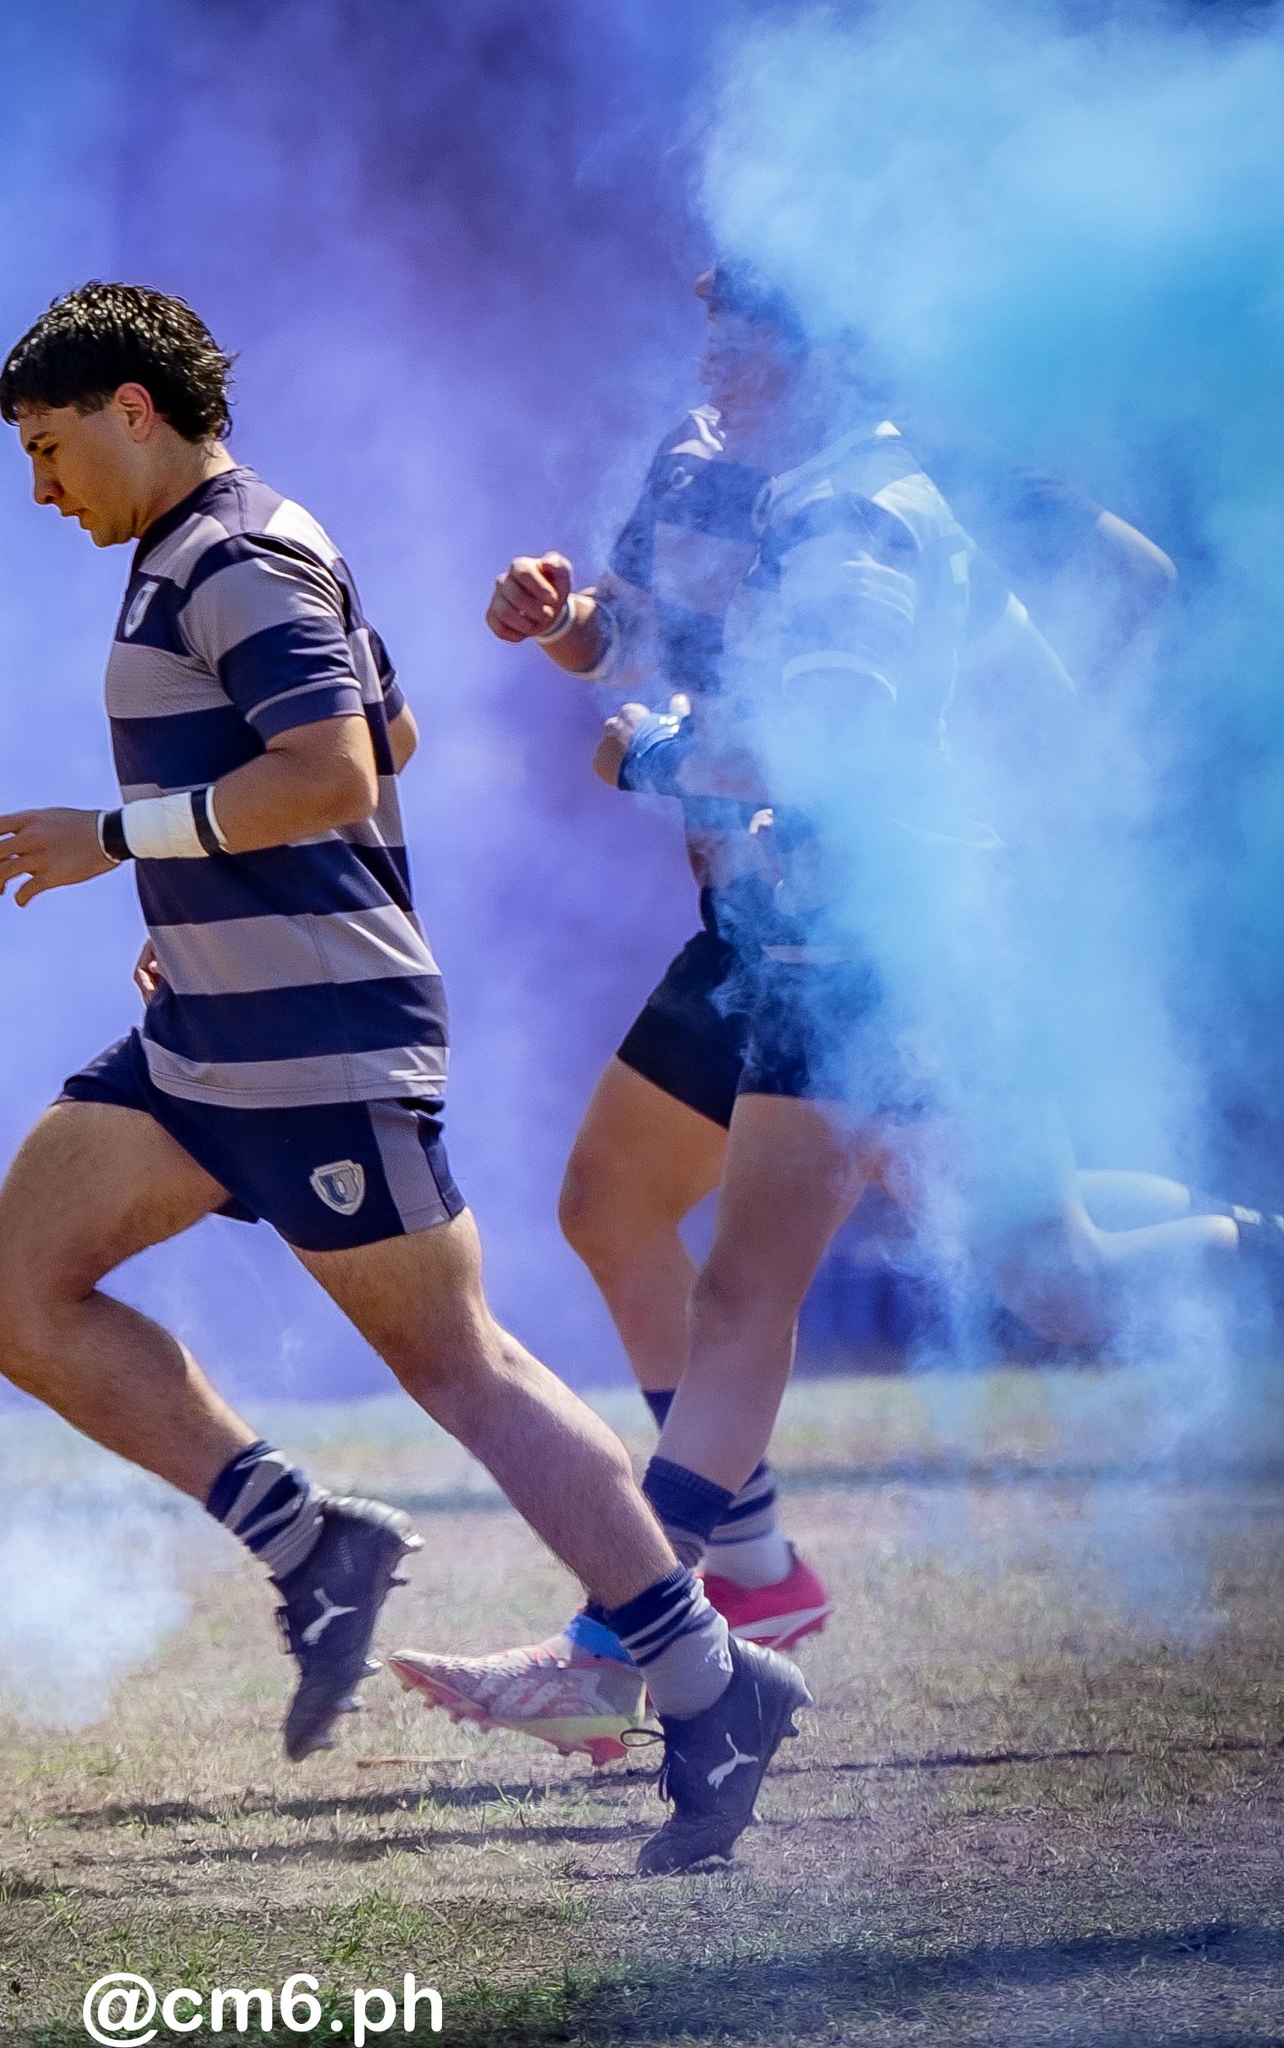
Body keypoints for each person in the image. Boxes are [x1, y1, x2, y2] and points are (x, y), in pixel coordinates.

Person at [0, 280, 809, 1873]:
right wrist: (196, 903)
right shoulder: (211, 549)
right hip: (215, 1028)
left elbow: (339, 769)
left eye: (50, 445)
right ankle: (312, 1546)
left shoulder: (239, 551)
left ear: (134, 411)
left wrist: (120, 844)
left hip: (320, 1042)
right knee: (13, 1294)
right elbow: (388, 738)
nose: (40, 485)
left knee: (463, 1370)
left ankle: (707, 1680)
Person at [393, 264, 1279, 1764]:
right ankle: (732, 1583)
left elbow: (827, 748)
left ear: (834, 354)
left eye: (753, 333)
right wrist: (565, 623)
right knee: (621, 1206)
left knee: (907, 1283)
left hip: (874, 939)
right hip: (766, 926)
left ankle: (648, 1634)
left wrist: (651, 762)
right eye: (712, 324)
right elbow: (647, 636)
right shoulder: (708, 458)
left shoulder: (864, 515)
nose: (717, 356)